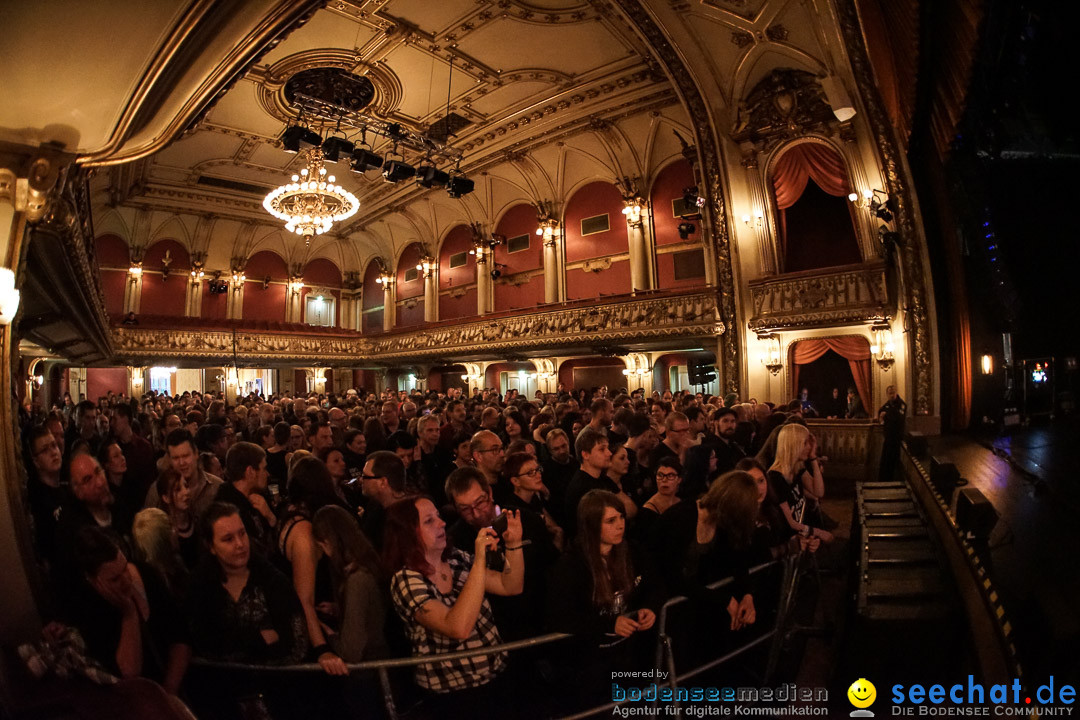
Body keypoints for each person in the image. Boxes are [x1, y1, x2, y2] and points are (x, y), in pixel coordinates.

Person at [385, 496, 524, 706]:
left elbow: (510, 586)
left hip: (495, 675)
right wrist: (479, 561)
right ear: (407, 532)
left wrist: (514, 544)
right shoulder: (406, 579)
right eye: (429, 521)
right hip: (453, 692)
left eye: (438, 517)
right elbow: (457, 627)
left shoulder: (455, 559)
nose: (441, 523)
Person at [547, 490, 658, 710]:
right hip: (589, 662)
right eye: (610, 521)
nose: (620, 526)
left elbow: (656, 585)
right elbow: (558, 616)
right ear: (591, 525)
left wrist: (650, 607)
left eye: (621, 518)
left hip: (627, 654)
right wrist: (609, 624)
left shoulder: (632, 550)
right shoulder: (571, 566)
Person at [70, 526, 191, 695]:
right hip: (135, 700)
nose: (126, 580)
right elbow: (130, 672)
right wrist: (129, 614)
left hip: (175, 686)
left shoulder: (146, 573)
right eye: (114, 579)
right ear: (92, 580)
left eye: (125, 568)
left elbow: (180, 637)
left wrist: (169, 693)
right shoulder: (90, 609)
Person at [445, 466, 557, 640]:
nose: (475, 513)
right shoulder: (456, 542)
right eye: (465, 509)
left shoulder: (525, 519)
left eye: (480, 502)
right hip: (498, 631)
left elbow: (552, 566)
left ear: (489, 493)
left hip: (540, 620)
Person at [188, 502, 307, 664]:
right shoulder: (200, 584)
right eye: (228, 539)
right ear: (211, 546)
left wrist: (232, 642)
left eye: (242, 534)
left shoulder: (273, 581)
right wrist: (258, 639)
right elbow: (201, 642)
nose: (240, 544)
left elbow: (296, 645)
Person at [276, 455, 346, 675]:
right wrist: (322, 649)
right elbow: (304, 599)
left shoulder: (289, 512)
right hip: (314, 629)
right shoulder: (304, 532)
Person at [310, 505, 389, 662]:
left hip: (370, 669)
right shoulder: (368, 563)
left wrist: (328, 633)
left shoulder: (356, 579)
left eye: (321, 547)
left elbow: (351, 652)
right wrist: (339, 608)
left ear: (327, 542)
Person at [766, 424, 833, 543]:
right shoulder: (775, 478)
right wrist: (819, 532)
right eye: (805, 443)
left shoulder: (797, 468)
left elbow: (818, 491)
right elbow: (791, 523)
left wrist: (813, 458)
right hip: (789, 540)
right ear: (793, 445)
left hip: (802, 532)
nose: (809, 447)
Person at [215, 442, 277, 561]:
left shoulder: (258, 497)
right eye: (264, 468)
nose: (267, 474)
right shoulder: (227, 510)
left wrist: (270, 516)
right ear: (250, 472)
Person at [144, 429, 221, 517]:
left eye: (185, 456)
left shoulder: (217, 487)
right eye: (176, 458)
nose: (181, 463)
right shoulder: (158, 490)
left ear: (196, 453)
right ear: (169, 460)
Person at [562, 427, 615, 538]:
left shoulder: (601, 478)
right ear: (585, 455)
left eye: (608, 448)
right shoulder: (582, 488)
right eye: (602, 449)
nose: (609, 453)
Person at [358, 450, 408, 549]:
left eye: (365, 476)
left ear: (382, 482)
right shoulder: (374, 505)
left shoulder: (408, 517)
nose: (360, 480)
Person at [878, 385, 907, 481]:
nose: (892, 395)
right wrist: (882, 416)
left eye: (893, 393)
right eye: (890, 393)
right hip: (888, 438)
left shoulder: (902, 404)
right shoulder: (888, 404)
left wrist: (886, 415)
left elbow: (898, 418)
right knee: (885, 461)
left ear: (896, 393)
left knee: (894, 462)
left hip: (897, 438)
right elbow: (881, 411)